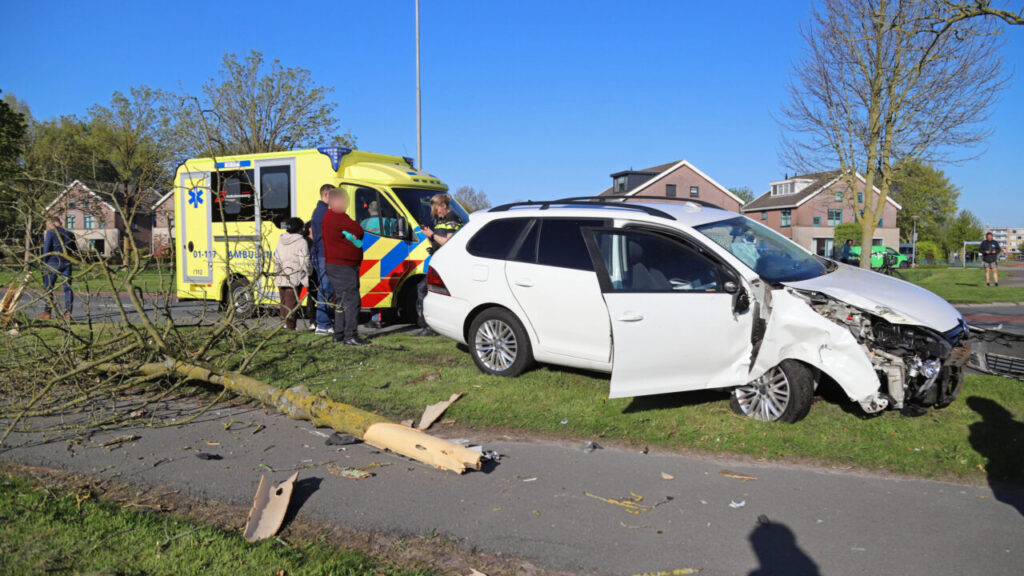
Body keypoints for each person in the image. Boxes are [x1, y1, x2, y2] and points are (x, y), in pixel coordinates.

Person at [321, 187, 369, 346]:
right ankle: (350, 335)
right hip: (343, 265)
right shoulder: (338, 216)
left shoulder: (329, 216)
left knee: (341, 300)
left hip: (336, 264)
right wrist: (353, 235)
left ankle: (339, 333)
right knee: (351, 300)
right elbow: (358, 230)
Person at [416, 194, 463, 337]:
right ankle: (429, 325)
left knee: (424, 289)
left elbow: (450, 242)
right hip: (438, 261)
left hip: (448, 263)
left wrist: (432, 234)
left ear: (443, 205)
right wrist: (428, 236)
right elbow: (438, 241)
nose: (436, 213)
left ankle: (429, 327)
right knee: (425, 290)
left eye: (437, 209)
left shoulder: (453, 218)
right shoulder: (440, 220)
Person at [274, 217, 311, 330]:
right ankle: (290, 327)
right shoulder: (301, 242)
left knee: (284, 302)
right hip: (294, 276)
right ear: (300, 229)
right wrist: (308, 273)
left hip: (281, 275)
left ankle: (283, 325)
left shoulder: (281, 240)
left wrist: (277, 273)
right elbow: (304, 262)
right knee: (292, 304)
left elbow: (276, 259)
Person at [309, 183, 336, 335]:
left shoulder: (319, 211)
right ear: (326, 195)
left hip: (322, 254)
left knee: (325, 289)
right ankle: (323, 324)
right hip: (324, 255)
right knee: (325, 290)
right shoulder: (324, 212)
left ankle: (324, 323)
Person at [37, 216, 76, 320]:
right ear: (61, 222)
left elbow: (46, 250)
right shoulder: (70, 234)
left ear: (52, 223)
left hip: (52, 263)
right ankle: (68, 313)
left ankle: (47, 312)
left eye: (47, 225)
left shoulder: (51, 233)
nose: (47, 227)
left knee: (48, 288)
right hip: (66, 263)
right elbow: (74, 250)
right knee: (68, 289)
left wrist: (43, 263)